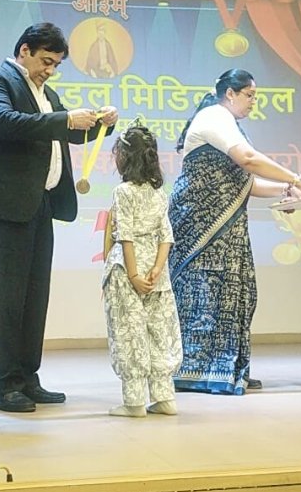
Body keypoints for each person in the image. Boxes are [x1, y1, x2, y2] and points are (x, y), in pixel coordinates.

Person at [0, 22, 119, 413]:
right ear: (24, 50)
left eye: (55, 64)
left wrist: (102, 123)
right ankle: (6, 385)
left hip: (41, 204)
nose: (49, 70)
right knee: (10, 297)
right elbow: (3, 123)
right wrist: (66, 119)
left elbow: (67, 133)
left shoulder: (46, 93)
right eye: (45, 61)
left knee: (35, 296)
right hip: (7, 206)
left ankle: (28, 378)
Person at [168, 68, 301, 395]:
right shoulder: (213, 116)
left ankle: (227, 366)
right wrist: (295, 179)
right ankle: (195, 370)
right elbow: (248, 160)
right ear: (230, 94)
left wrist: (286, 191)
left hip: (228, 226)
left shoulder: (230, 125)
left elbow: (244, 183)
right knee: (203, 295)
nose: (253, 102)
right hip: (200, 225)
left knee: (235, 295)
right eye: (249, 95)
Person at [101, 122, 182, 418]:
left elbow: (125, 236)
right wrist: (157, 269)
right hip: (157, 274)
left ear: (123, 156)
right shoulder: (159, 193)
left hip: (128, 271)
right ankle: (164, 397)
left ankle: (134, 401)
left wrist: (134, 275)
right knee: (160, 331)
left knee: (129, 331)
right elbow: (166, 236)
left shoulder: (123, 192)